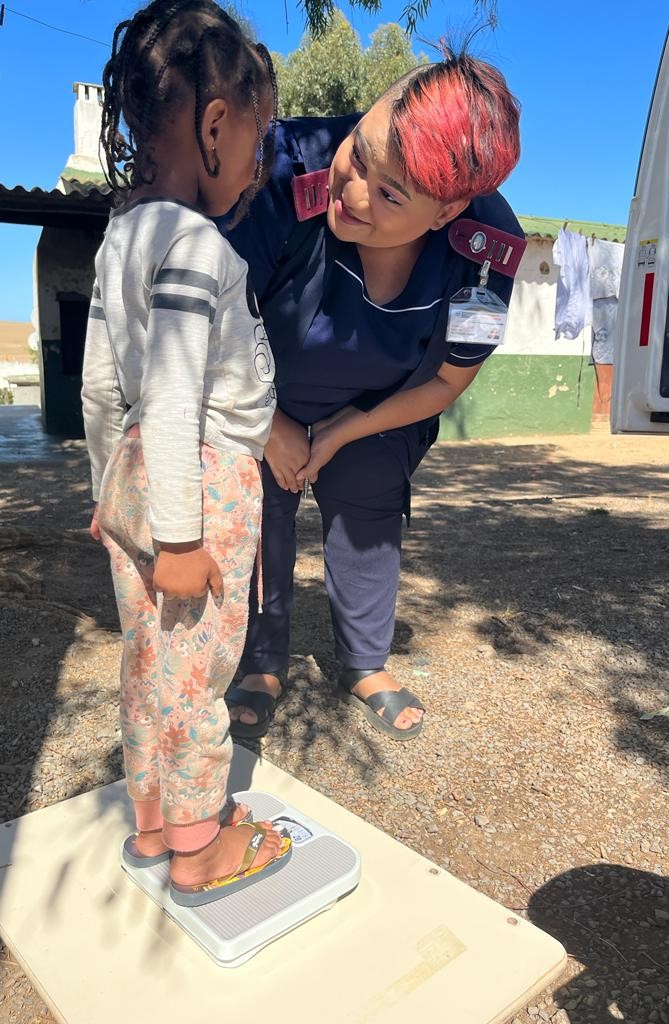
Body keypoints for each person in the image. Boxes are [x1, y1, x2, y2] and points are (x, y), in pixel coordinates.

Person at [223, 47, 523, 742]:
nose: (351, 194)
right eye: (360, 154)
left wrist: (345, 429)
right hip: (255, 389)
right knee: (260, 504)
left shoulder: (486, 248)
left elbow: (448, 378)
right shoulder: (281, 167)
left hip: (382, 406)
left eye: (390, 196)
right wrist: (270, 425)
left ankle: (364, 661)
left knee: (368, 504)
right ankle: (261, 661)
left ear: (448, 209)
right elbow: (212, 322)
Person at [81, 0, 291, 907]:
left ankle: (156, 823)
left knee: (146, 663)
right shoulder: (198, 244)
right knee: (201, 670)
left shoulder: (117, 239)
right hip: (199, 483)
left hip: (135, 468)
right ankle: (202, 851)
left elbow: (103, 387)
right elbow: (173, 388)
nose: (258, 162)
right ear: (215, 127)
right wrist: (175, 535)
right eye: (257, 137)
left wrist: (106, 495)